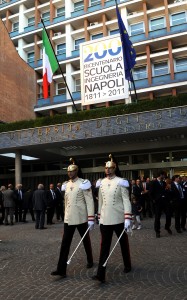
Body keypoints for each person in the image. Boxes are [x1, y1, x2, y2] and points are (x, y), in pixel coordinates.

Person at [51, 158, 95, 278]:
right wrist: (65, 216)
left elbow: (90, 201)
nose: (70, 173)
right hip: (69, 218)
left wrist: (91, 218)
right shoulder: (66, 184)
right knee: (65, 244)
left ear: (77, 171)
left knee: (85, 241)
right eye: (68, 171)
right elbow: (66, 202)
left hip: (81, 217)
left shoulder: (84, 183)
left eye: (72, 171)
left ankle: (90, 260)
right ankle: (61, 269)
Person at [92, 154, 132, 283]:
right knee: (104, 246)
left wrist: (127, 217)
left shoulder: (121, 181)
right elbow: (101, 201)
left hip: (119, 218)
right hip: (105, 218)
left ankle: (127, 264)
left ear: (115, 168)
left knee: (123, 243)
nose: (108, 170)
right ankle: (100, 274)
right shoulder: (101, 182)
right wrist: (98, 215)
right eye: (106, 168)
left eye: (110, 168)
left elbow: (126, 200)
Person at [149, 171, 172, 238]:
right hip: (158, 203)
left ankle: (167, 227)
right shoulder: (153, 182)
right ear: (160, 175)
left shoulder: (164, 183)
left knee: (168, 215)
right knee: (157, 217)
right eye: (164, 175)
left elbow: (165, 191)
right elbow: (150, 193)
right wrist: (154, 200)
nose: (164, 177)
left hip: (165, 202)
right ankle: (157, 231)